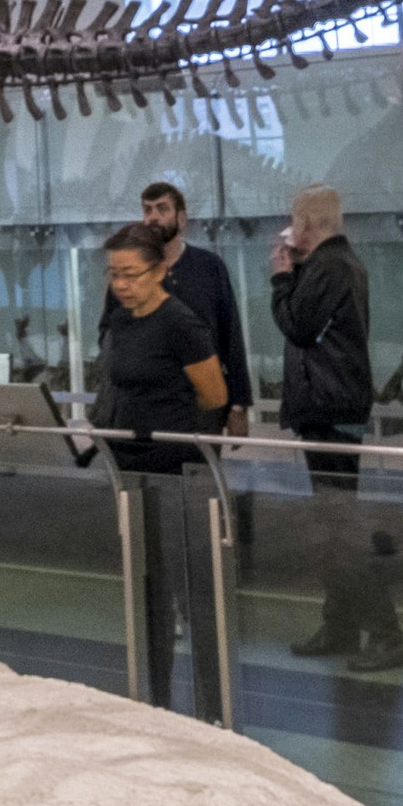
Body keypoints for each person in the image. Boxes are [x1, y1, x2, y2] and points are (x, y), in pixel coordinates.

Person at [93, 220, 227, 712]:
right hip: (129, 469)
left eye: (131, 274)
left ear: (160, 270)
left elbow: (214, 394)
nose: (121, 284)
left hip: (172, 473)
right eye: (114, 274)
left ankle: (210, 702)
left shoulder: (181, 324)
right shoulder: (122, 320)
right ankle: (153, 697)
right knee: (146, 588)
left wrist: (171, 432)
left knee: (187, 587)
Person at [271, 186, 403, 672]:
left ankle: (387, 635)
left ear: (307, 220)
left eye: (294, 218)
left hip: (330, 410)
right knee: (333, 527)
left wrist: (281, 279)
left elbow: (299, 325)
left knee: (340, 528)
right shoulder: (334, 266)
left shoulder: (330, 267)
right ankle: (343, 623)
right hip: (330, 407)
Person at [139, 181, 250, 437]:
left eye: (162, 209)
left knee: (200, 473)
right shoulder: (133, 273)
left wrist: (239, 405)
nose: (153, 217)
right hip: (149, 405)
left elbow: (230, 334)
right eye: (147, 210)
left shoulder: (209, 267)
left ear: (181, 218)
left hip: (203, 405)